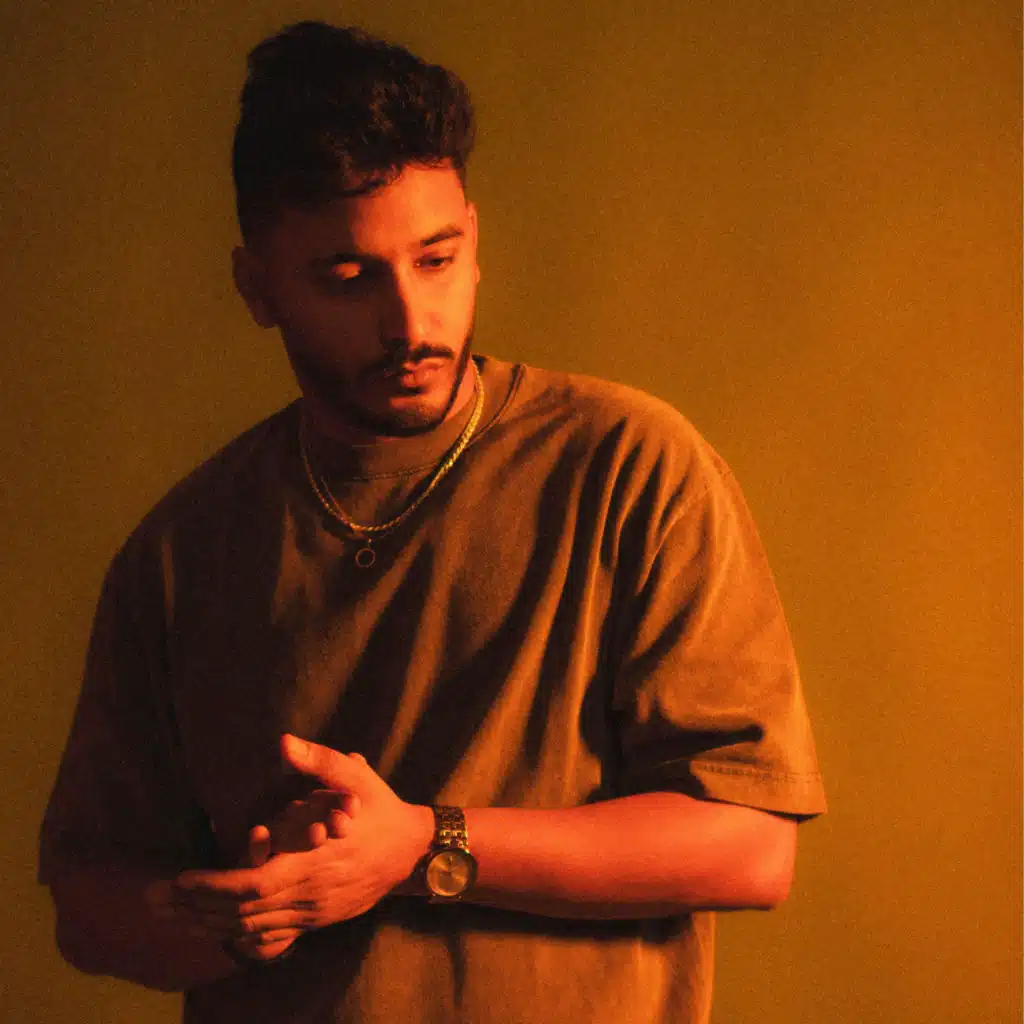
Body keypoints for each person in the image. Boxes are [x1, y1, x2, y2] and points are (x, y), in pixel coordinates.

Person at [39, 21, 826, 1024]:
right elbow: (88, 904)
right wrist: (227, 915)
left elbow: (750, 846)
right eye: (348, 276)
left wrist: (419, 845)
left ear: (474, 241)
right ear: (257, 287)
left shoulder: (633, 467)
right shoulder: (182, 550)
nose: (410, 323)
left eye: (437, 258)